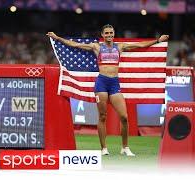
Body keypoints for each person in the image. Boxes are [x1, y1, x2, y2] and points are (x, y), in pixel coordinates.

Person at [47, 24, 169, 156]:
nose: (109, 35)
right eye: (107, 33)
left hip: (114, 84)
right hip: (101, 83)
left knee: (124, 117)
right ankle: (104, 148)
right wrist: (57, 38)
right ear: (102, 35)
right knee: (103, 116)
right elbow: (75, 44)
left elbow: (140, 45)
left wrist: (158, 40)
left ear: (114, 33)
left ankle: (125, 147)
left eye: (111, 32)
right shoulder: (97, 47)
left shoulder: (120, 46)